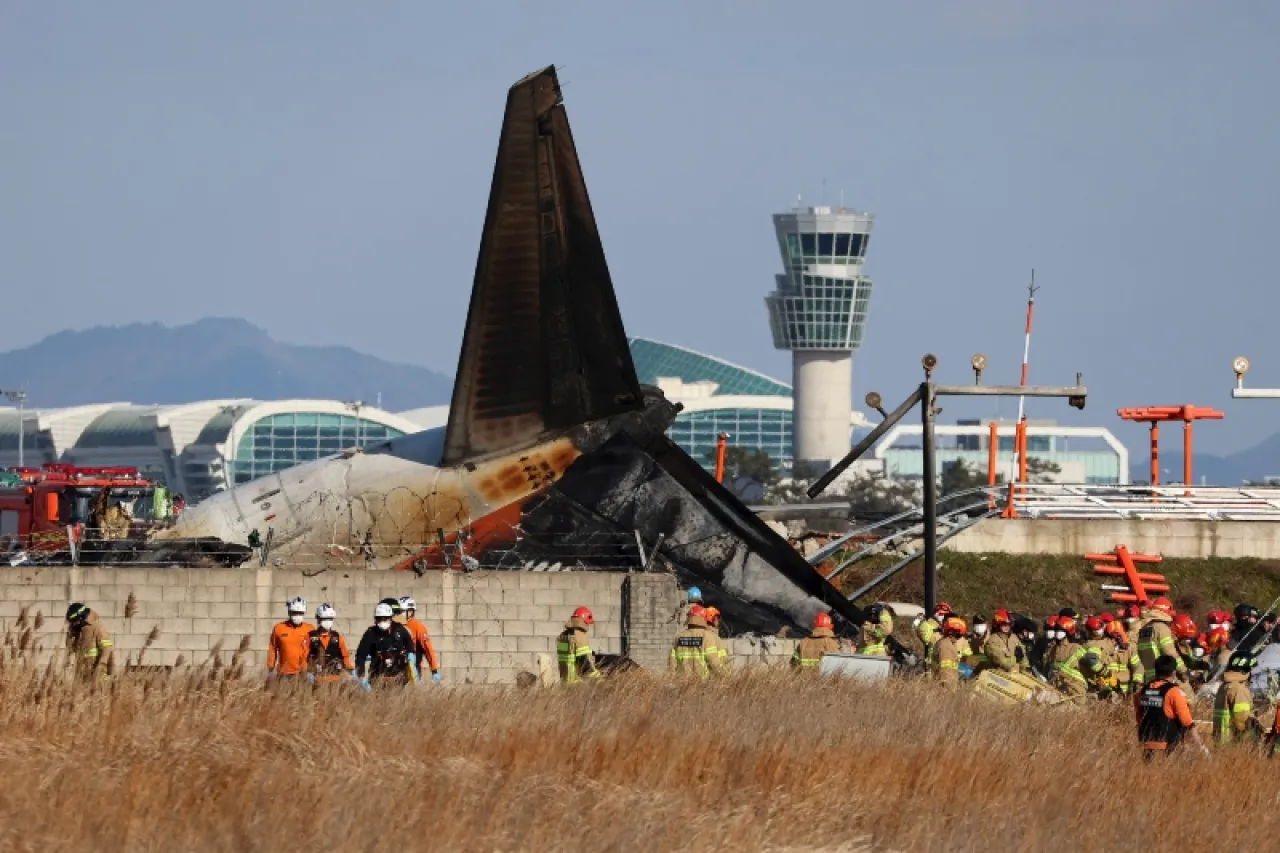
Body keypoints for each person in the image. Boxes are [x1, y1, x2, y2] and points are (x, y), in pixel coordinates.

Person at [1136, 655, 1206, 759]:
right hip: (1167, 748)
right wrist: (1201, 747)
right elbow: (1187, 722)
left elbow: (1139, 717)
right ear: (1173, 673)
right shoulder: (1174, 692)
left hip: (1146, 745)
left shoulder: (1143, 691)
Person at [355, 602, 416, 689]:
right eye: (379, 619)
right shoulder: (371, 633)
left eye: (385, 619)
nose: (382, 622)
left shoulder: (400, 630)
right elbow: (360, 656)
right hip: (377, 678)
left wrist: (412, 659)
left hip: (399, 678)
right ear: (375, 619)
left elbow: (410, 647)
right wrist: (360, 676)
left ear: (391, 618)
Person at [1212, 652, 1260, 746]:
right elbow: (1242, 720)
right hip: (1234, 743)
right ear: (1245, 671)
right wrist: (1255, 737)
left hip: (1221, 741)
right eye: (1251, 669)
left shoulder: (1225, 686)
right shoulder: (1239, 689)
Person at [1136, 598, 1186, 686]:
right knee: (1187, 693)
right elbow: (1169, 652)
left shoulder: (1144, 629)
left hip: (1148, 679)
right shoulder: (1161, 628)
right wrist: (1183, 670)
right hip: (1163, 676)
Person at [671, 604, 726, 678]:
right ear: (703, 618)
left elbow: (672, 662)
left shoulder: (679, 637)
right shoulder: (707, 636)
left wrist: (673, 678)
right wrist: (725, 676)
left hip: (683, 683)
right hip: (702, 683)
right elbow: (713, 661)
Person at [305, 603, 355, 685]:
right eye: (324, 619)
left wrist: (351, 670)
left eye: (330, 619)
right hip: (316, 680)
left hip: (335, 679)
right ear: (318, 620)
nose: (327, 621)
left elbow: (345, 656)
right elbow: (303, 656)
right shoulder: (310, 636)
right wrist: (306, 671)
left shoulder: (338, 637)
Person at [268, 597, 314, 681]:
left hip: (304, 673)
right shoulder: (279, 628)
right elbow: (273, 649)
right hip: (284, 673)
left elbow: (315, 650)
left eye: (300, 613)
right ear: (289, 612)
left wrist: (313, 670)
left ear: (304, 613)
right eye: (295, 613)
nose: (297, 615)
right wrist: (271, 668)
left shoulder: (310, 629)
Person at [399, 596, 442, 684]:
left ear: (411, 611)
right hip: (396, 667)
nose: (400, 614)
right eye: (399, 611)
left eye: (402, 611)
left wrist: (434, 671)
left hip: (413, 668)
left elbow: (428, 649)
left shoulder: (418, 627)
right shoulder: (395, 625)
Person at [65, 602, 113, 679]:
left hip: (98, 674)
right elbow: (72, 648)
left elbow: (107, 649)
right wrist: (71, 634)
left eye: (75, 621)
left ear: (82, 617)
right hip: (81, 674)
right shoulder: (79, 631)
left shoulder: (97, 627)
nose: (73, 624)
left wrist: (100, 666)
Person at [556, 606, 601, 685]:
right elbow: (585, 665)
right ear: (584, 621)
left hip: (565, 683)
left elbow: (571, 655)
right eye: (588, 623)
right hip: (577, 685)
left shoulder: (563, 636)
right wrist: (600, 676)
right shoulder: (579, 636)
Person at [1048, 616, 1088, 698]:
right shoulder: (1053, 649)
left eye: (1060, 631)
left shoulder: (1076, 648)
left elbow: (1088, 668)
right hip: (1057, 687)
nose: (1056, 633)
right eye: (1056, 630)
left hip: (1075, 689)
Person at [931, 616, 967, 686]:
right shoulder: (946, 646)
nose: (958, 638)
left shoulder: (945, 642)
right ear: (951, 632)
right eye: (958, 635)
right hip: (946, 686)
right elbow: (945, 671)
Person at [703, 606, 731, 670]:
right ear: (712, 618)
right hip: (717, 676)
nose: (718, 620)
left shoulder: (708, 635)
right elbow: (716, 661)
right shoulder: (712, 637)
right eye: (717, 617)